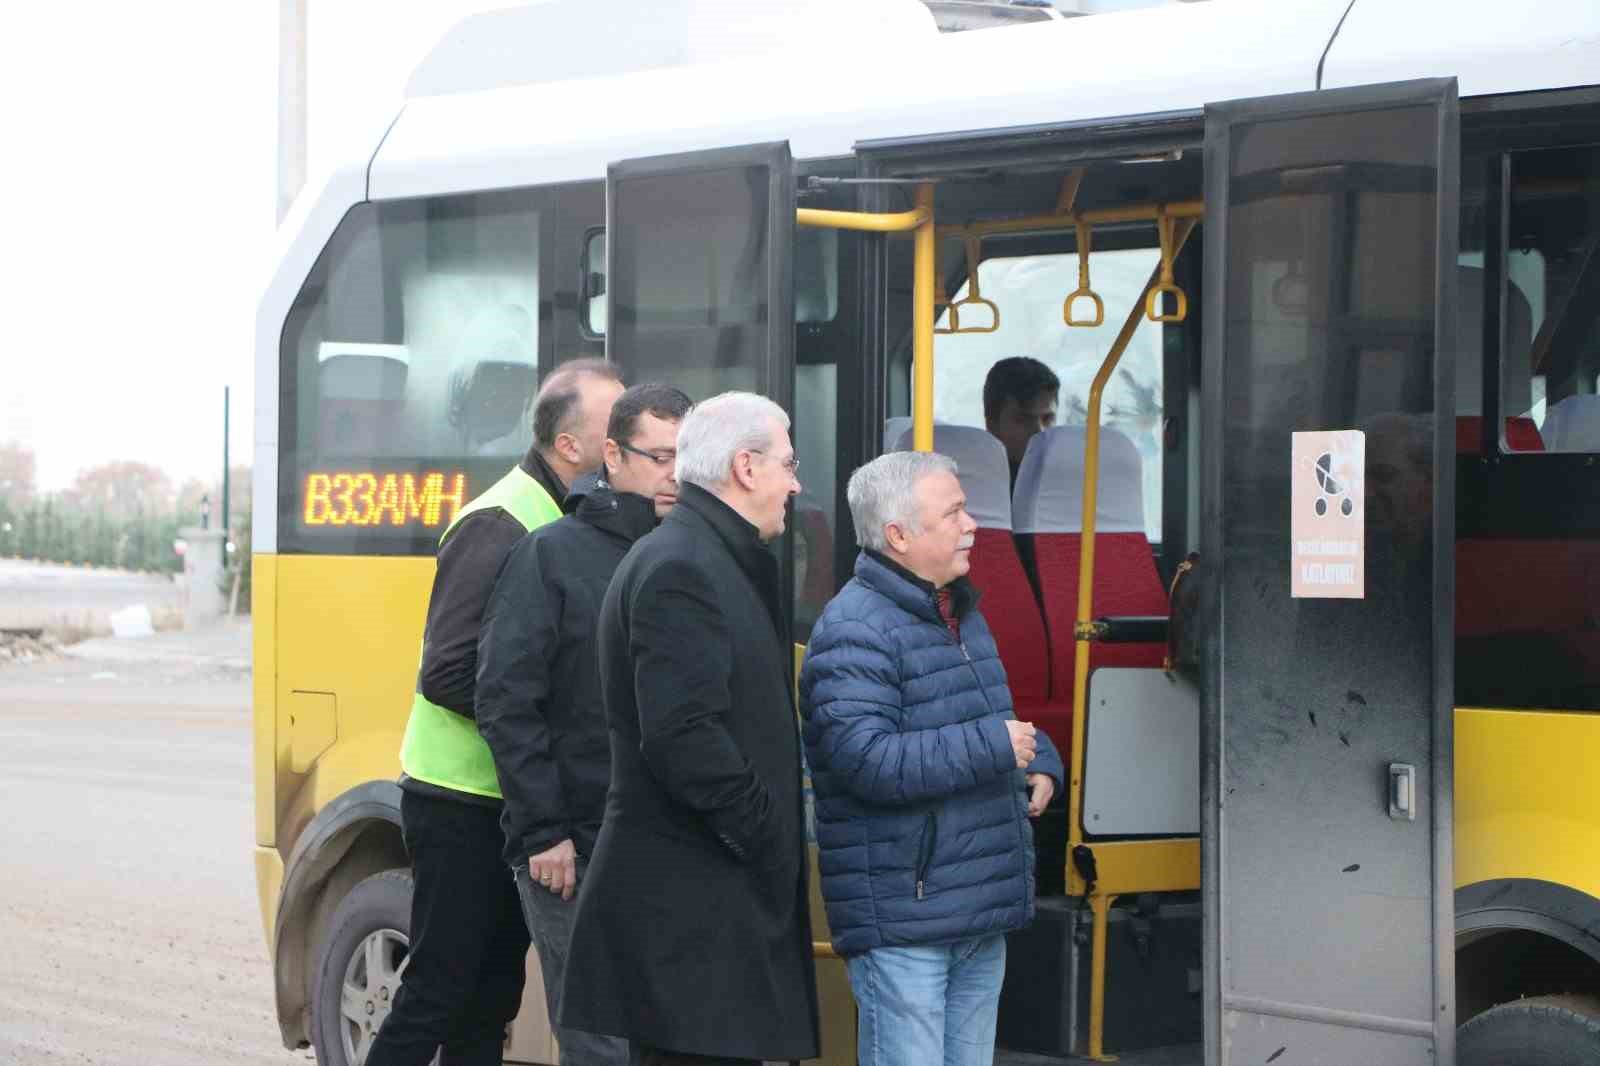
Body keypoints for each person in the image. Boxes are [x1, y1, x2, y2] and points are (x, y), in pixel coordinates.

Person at [367, 359, 624, 1066]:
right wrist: (550, 725)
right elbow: (447, 669)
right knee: (438, 991)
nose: (629, 437)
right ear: (569, 445)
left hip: (506, 797)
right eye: (616, 425)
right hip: (460, 799)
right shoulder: (501, 520)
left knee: (489, 999)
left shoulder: (566, 516)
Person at [562, 391, 821, 1066]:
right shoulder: (683, 566)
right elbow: (684, 737)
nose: (796, 483)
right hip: (692, 918)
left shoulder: (705, 556)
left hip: (705, 914)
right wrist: (767, 833)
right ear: (746, 467)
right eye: (788, 464)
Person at [799, 449, 1064, 1066]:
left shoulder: (957, 611)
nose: (971, 524)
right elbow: (866, 760)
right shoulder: (854, 628)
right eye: (954, 512)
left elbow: (981, 717)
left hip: (973, 911)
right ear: (898, 535)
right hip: (906, 920)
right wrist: (996, 746)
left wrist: (1038, 759)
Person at [474, 383, 693, 1066]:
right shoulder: (551, 555)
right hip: (573, 851)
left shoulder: (693, 555)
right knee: (601, 1040)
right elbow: (506, 700)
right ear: (613, 456)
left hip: (667, 845)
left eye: (687, 458)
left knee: (667, 1036)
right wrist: (544, 832)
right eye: (659, 457)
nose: (675, 475)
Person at [983, 356, 1059, 488]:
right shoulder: (977, 488)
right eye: (1024, 420)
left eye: (1047, 419)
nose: (1039, 432)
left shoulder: (1078, 479)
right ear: (992, 423)